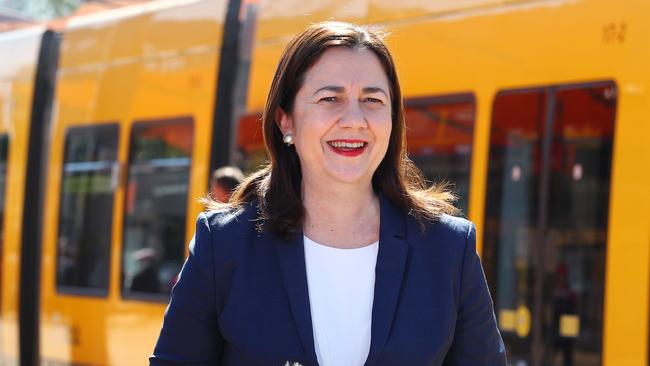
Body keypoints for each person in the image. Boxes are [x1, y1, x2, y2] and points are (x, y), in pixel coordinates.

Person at [150, 21, 506, 366]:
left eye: (372, 99)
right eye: (330, 98)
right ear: (285, 120)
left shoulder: (448, 249)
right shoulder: (224, 244)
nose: (354, 119)